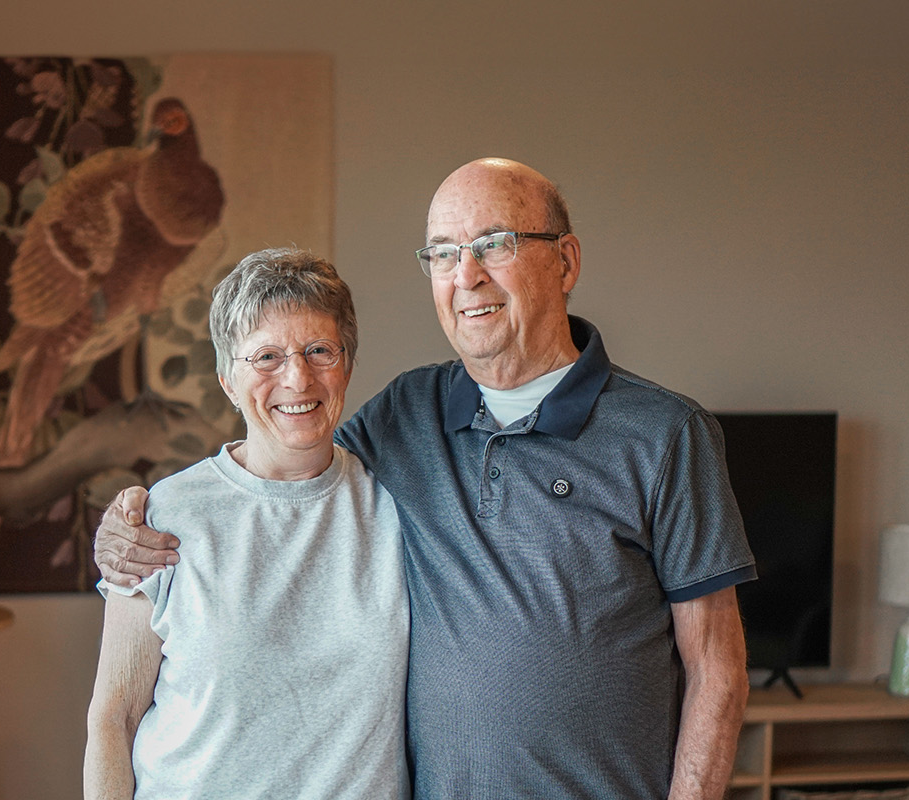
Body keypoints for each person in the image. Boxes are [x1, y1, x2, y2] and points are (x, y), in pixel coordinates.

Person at [94, 158, 757, 800]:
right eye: (442, 252)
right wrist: (126, 527)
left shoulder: (665, 433)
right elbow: (288, 461)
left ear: (565, 261)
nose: (466, 275)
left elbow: (717, 668)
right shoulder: (409, 413)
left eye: (493, 245)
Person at [83, 248, 409, 800]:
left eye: (319, 350)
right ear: (228, 381)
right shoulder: (165, 515)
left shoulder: (399, 506)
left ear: (347, 364)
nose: (297, 378)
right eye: (266, 357)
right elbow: (114, 720)